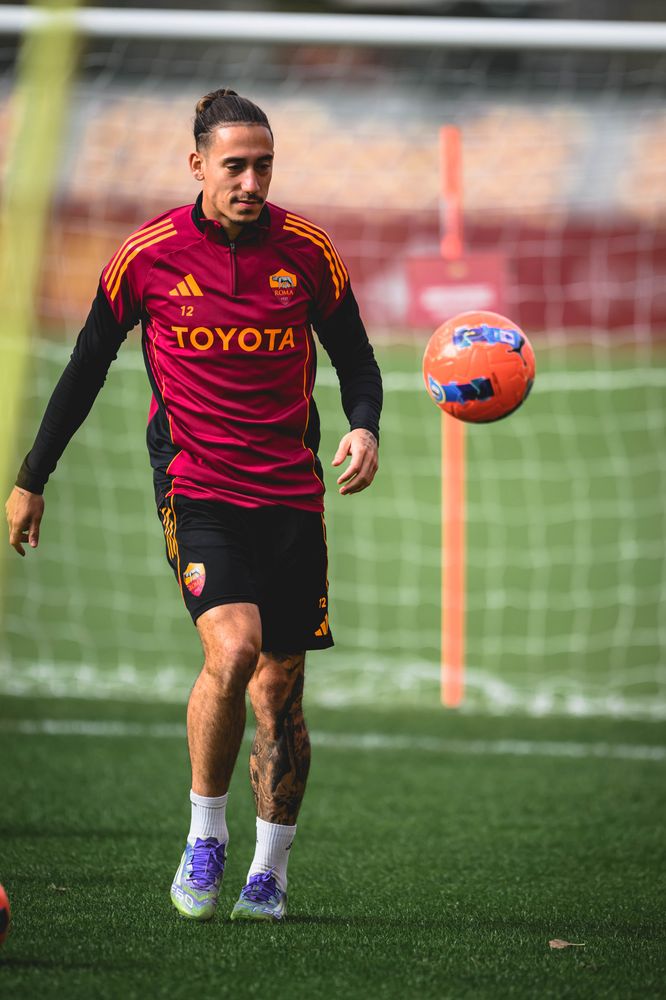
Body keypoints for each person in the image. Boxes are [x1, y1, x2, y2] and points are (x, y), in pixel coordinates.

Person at [5, 89, 382, 922]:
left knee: (280, 686)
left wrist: (364, 428)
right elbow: (85, 367)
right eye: (235, 165)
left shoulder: (309, 251)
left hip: (292, 491)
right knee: (236, 647)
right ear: (199, 165)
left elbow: (357, 358)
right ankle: (204, 832)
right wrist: (33, 478)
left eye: (264, 165)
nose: (252, 180)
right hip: (197, 482)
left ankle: (269, 872)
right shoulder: (148, 255)